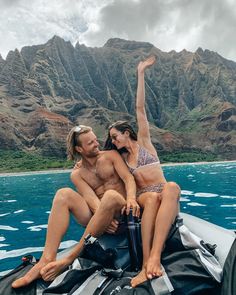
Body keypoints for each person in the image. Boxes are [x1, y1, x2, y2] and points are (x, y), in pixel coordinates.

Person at [12, 125, 140, 288]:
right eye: (90, 142)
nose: (96, 144)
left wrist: (131, 199)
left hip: (122, 212)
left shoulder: (111, 155)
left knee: (110, 196)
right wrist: (104, 217)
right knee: (63, 194)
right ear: (79, 148)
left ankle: (68, 259)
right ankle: (47, 258)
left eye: (95, 139)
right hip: (101, 218)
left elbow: (128, 178)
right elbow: (91, 199)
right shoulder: (77, 173)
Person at [104, 56, 181, 287]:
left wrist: (141, 73)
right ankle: (147, 262)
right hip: (147, 200)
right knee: (149, 196)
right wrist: (80, 163)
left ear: (127, 132)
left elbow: (140, 108)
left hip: (166, 199)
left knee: (172, 186)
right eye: (111, 140)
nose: (114, 141)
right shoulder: (121, 159)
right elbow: (99, 161)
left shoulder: (145, 142)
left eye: (115, 136)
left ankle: (155, 255)